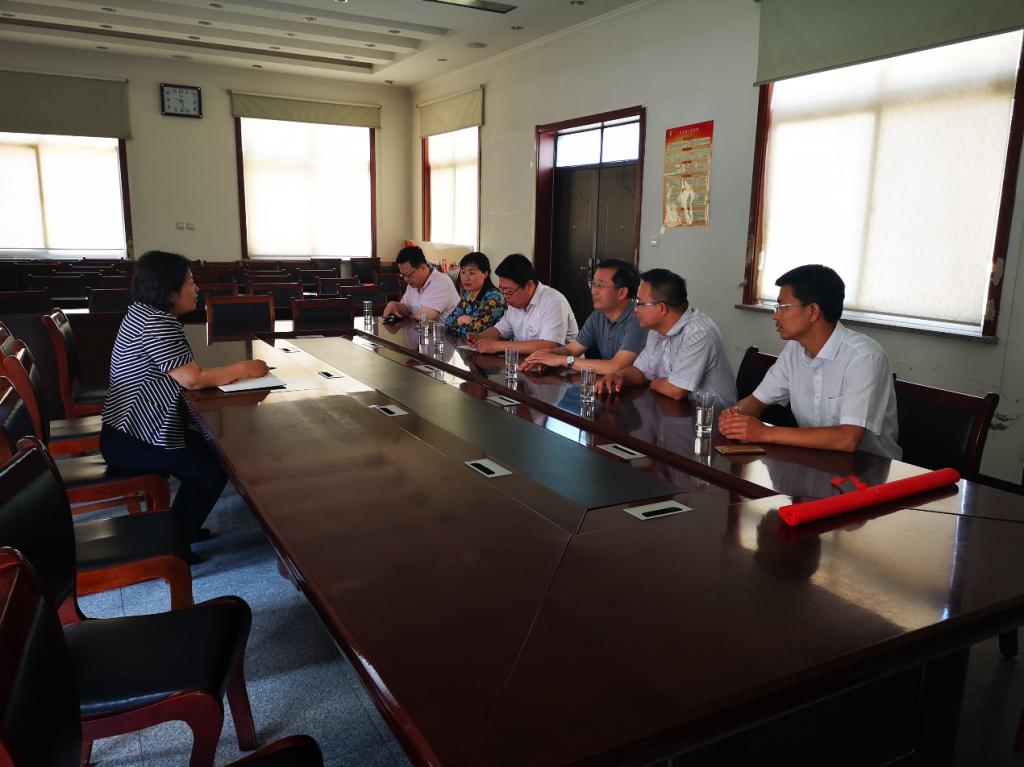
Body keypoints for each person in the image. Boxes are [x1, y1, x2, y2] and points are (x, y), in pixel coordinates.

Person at [101, 250, 269, 557]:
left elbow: (186, 374)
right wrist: (244, 368)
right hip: (137, 437)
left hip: (128, 430)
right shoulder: (156, 323)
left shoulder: (142, 313)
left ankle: (181, 527)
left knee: (214, 452)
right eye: (190, 282)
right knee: (211, 471)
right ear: (169, 291)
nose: (197, 288)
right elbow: (193, 379)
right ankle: (173, 546)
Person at [718, 264, 901, 458]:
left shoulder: (865, 357)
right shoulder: (794, 350)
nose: (776, 315)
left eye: (783, 307)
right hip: (815, 459)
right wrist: (735, 414)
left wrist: (764, 432)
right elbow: (757, 401)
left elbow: (848, 438)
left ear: (813, 311)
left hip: (869, 468)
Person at [596, 268, 736, 405]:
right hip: (674, 408)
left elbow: (675, 390)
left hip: (712, 414)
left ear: (661, 308)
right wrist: (619, 376)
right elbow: (641, 371)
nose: (635, 309)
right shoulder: (656, 329)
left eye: (639, 303)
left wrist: (652, 382)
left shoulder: (698, 333)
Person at [521, 258, 648, 374]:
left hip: (639, 388)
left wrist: (561, 360)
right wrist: (545, 355)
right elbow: (571, 351)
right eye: (593, 284)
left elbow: (615, 367)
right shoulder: (598, 315)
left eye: (600, 285)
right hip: (609, 384)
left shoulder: (638, 318)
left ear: (622, 293)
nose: (593, 291)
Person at [467, 253, 579, 354]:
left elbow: (549, 345)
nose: (505, 296)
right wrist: (479, 337)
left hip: (566, 366)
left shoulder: (553, 301)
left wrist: (498, 346)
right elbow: (500, 331)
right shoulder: (515, 304)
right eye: (502, 290)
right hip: (528, 364)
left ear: (529, 285)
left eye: (509, 291)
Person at [383, 245, 459, 322]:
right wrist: (395, 305)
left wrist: (409, 316)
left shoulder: (441, 283)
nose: (406, 279)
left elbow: (424, 317)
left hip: (445, 330)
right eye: (403, 275)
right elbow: (407, 308)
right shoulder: (413, 284)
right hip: (421, 329)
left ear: (422, 267)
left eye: (409, 275)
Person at [444, 251, 506, 338]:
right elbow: (447, 321)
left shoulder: (494, 298)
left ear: (485, 274)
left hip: (490, 345)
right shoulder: (468, 295)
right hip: (467, 344)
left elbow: (474, 332)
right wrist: (461, 319)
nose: (466, 278)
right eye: (463, 272)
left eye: (472, 273)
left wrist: (459, 321)